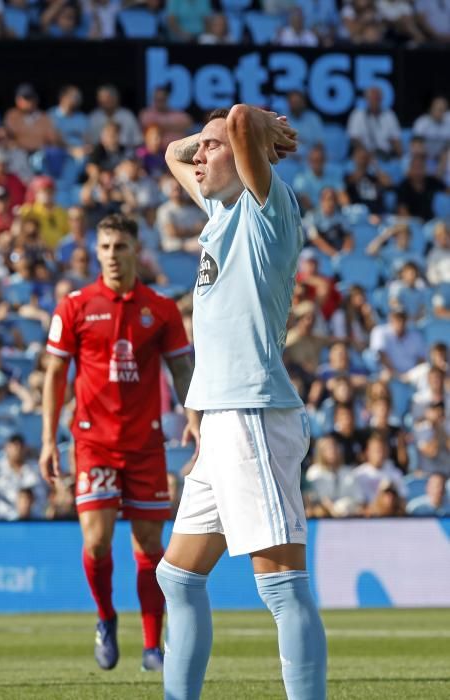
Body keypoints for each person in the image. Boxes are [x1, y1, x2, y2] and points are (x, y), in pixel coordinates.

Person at [157, 106, 327, 699]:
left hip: (252, 414)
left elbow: (236, 117)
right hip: (221, 422)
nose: (197, 157)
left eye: (213, 148)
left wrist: (249, 127)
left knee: (282, 586)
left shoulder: (266, 209)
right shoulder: (220, 211)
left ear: (243, 151)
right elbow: (172, 153)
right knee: (176, 576)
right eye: (201, 149)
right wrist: (207, 141)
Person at [40, 213, 195, 673]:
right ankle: (106, 616)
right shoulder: (75, 306)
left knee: (150, 544)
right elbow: (54, 374)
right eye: (104, 247)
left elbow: (182, 370)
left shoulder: (161, 308)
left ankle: (151, 645)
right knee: (98, 540)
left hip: (145, 444)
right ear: (96, 252)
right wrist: (49, 439)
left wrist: (195, 417)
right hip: (93, 443)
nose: (111, 256)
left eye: (120, 247)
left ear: (135, 251)